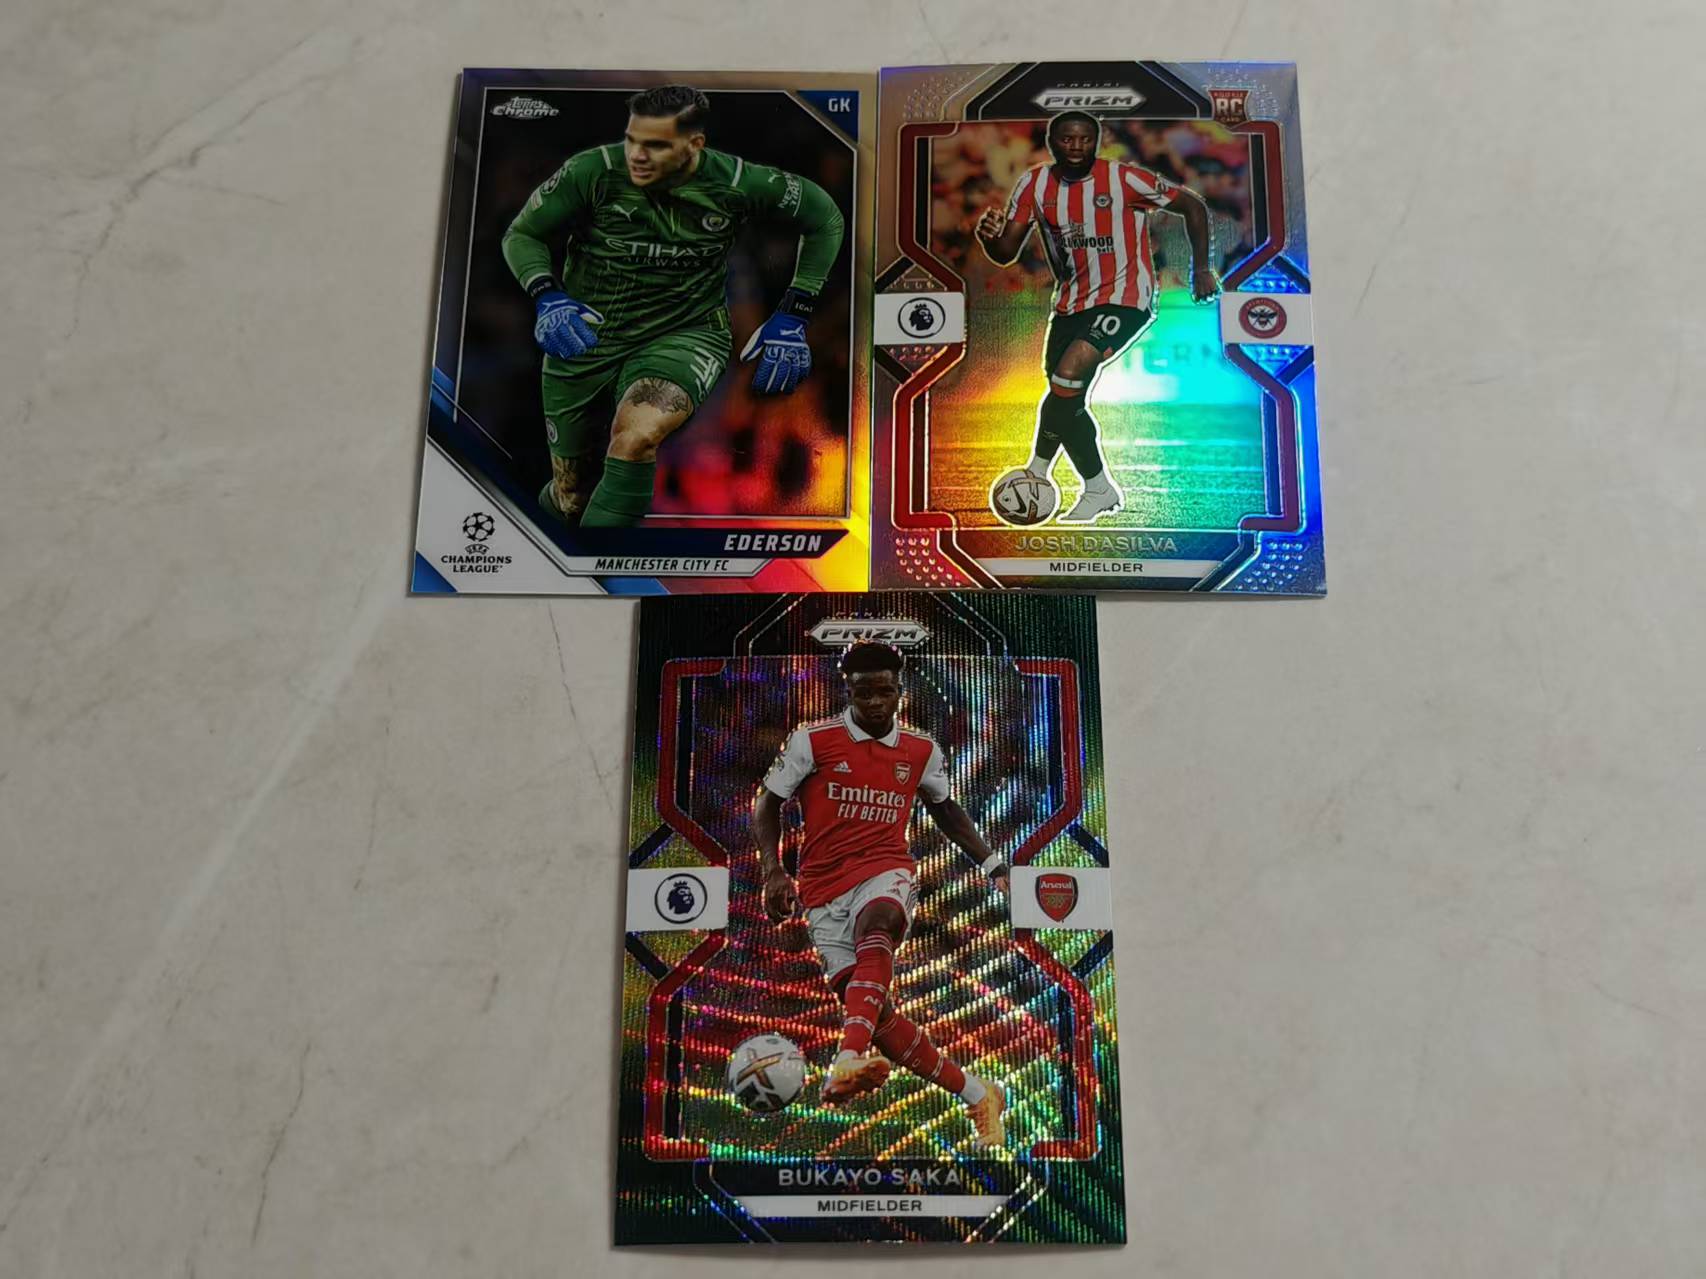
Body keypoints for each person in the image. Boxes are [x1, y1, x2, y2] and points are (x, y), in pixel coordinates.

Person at [502, 84, 845, 527]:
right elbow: (522, 234)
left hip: (686, 340)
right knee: (571, 499)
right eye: (633, 140)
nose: (638, 155)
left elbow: (824, 216)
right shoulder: (592, 171)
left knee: (637, 437)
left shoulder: (735, 185)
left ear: (694, 145)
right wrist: (547, 294)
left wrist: (794, 314)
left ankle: (611, 553)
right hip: (594, 338)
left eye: (656, 145)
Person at [750, 642, 1011, 1145]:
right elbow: (767, 804)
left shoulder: (920, 750)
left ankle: (846, 1057)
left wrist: (992, 863)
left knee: (882, 921)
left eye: (884, 692)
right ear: (848, 691)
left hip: (885, 868)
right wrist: (773, 870)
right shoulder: (811, 741)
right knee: (877, 1016)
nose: (874, 702)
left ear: (899, 692)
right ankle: (979, 1094)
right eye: (863, 693)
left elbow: (945, 808)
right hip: (822, 890)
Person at [976, 111, 1220, 522]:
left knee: (1068, 374)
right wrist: (989, 239)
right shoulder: (1034, 184)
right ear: (1052, 143)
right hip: (1071, 302)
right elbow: (1005, 253)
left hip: (1127, 297)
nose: (1076, 147)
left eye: (1084, 139)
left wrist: (1201, 269)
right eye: (1066, 139)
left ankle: (1046, 473)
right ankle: (1093, 488)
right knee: (1064, 394)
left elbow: (1192, 206)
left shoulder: (1124, 179)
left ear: (1097, 141)